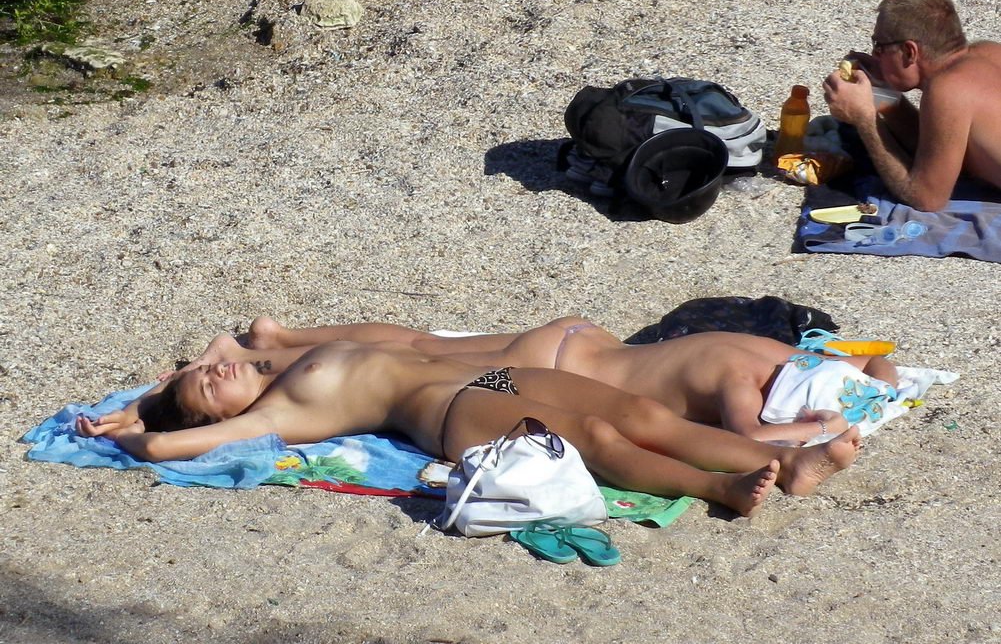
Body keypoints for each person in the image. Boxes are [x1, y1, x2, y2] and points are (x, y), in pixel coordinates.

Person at [76, 338, 863, 518]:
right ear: (226, 417)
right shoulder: (282, 411)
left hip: (487, 378)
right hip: (448, 413)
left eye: (206, 369)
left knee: (642, 414)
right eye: (206, 387)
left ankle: (788, 461)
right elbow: (166, 443)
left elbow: (218, 347)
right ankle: (719, 487)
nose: (215, 371)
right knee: (599, 435)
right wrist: (132, 429)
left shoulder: (272, 364)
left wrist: (157, 388)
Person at [181, 315, 896, 445]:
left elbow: (878, 357)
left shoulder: (770, 351)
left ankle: (279, 340)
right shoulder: (742, 381)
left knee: (422, 345)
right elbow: (749, 435)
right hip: (552, 367)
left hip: (578, 339)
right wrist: (826, 423)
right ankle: (273, 349)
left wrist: (865, 386)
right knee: (418, 351)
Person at [822, 0, 1001, 211]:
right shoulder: (989, 52)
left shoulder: (948, 90)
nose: (875, 55)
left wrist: (865, 120)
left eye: (879, 47)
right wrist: (883, 94)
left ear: (909, 51)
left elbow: (926, 198)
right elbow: (939, 151)